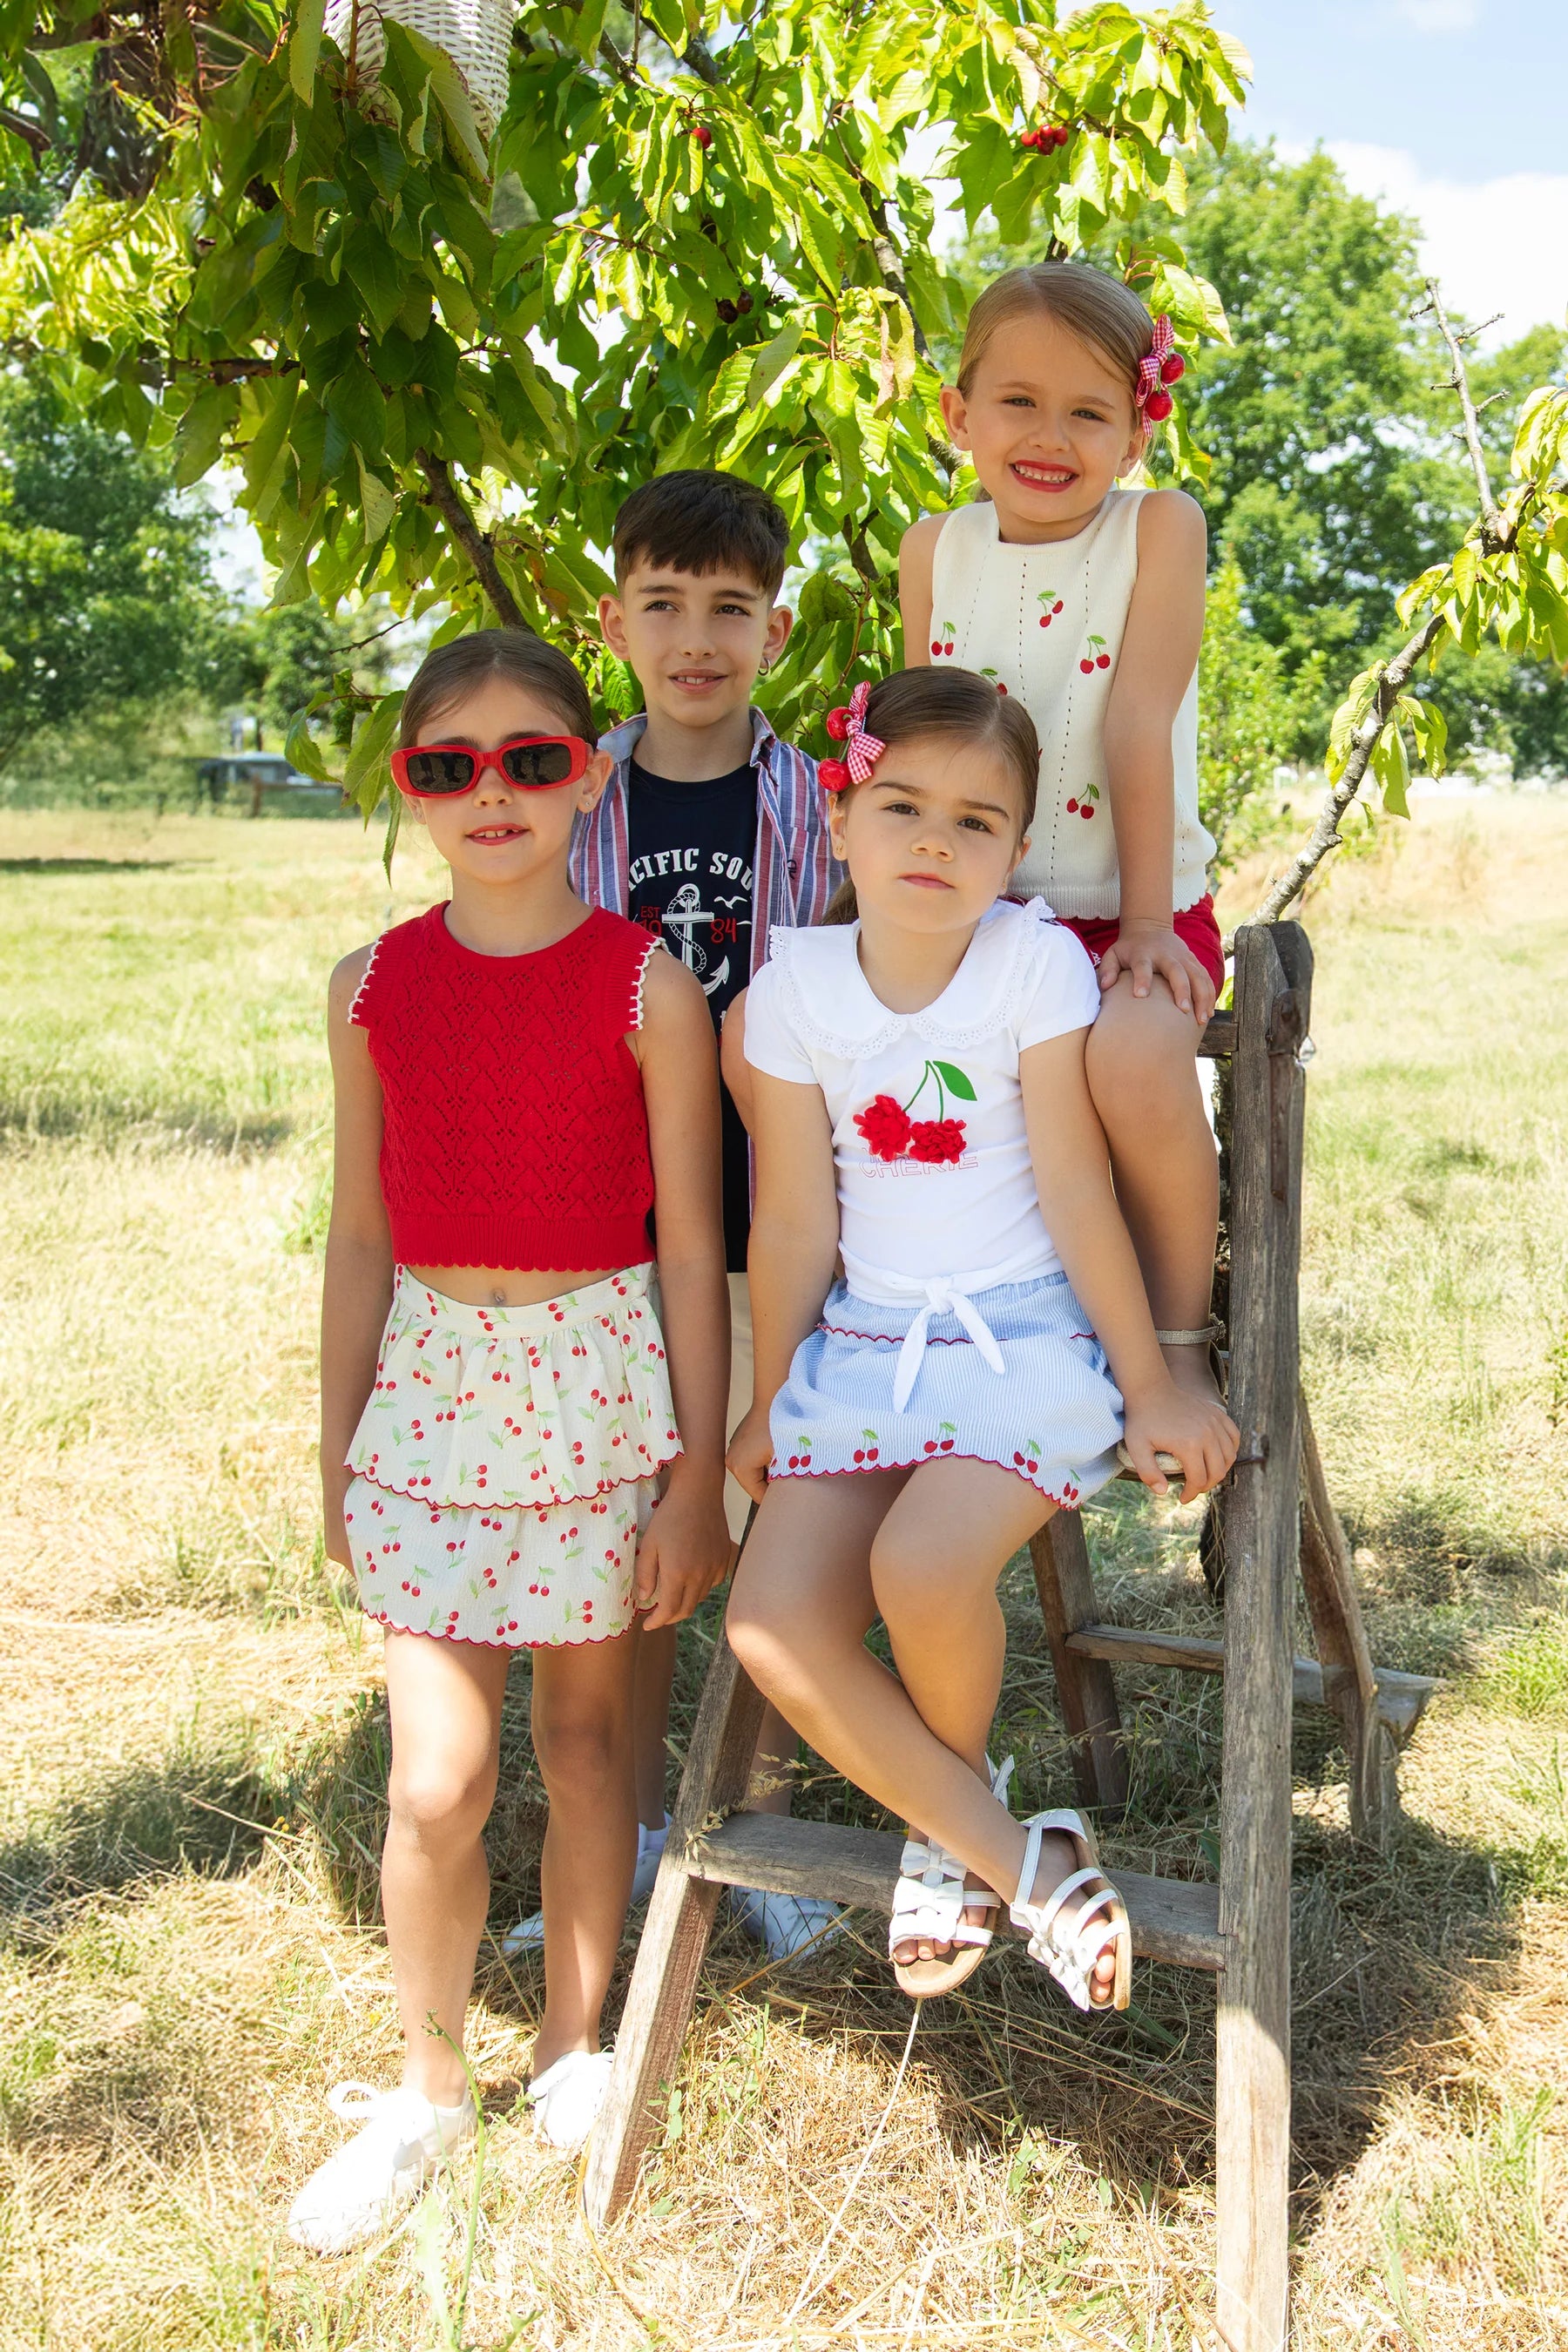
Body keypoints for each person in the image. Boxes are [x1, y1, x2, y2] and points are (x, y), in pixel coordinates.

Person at [290, 628, 732, 2253]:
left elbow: (693, 1243)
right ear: (409, 787)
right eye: (449, 764)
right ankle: (426, 2087)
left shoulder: (646, 985)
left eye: (532, 759)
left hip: (598, 1398)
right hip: (426, 1409)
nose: (493, 791)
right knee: (437, 1780)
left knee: (592, 1749)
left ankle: (569, 2047)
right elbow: (358, 1235)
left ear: (588, 778)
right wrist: (337, 1451)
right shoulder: (370, 986)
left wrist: (696, 1475)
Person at [724, 668, 1238, 2004]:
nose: (936, 841)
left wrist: (1151, 1380)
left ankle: (951, 1844)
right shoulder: (793, 989)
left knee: (921, 1565)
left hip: (1023, 1346)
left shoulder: (1029, 964)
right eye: (902, 805)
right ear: (841, 819)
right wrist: (771, 1396)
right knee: (771, 1626)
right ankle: (1013, 1852)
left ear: (1016, 851)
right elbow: (794, 1222)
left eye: (977, 820)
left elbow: (1074, 1186)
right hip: (864, 1352)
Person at [502, 470, 843, 1963]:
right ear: (613, 621)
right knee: (626, 1536)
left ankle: (757, 1828)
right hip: (609, 1219)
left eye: (728, 609)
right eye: (663, 605)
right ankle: (629, 1831)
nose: (695, 638)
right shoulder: (572, 792)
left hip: (778, 1213)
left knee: (777, 1534)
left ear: (777, 628)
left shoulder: (824, 802)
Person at [899, 261, 1225, 1408]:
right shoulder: (935, 548)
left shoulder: (1158, 528)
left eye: (1089, 412)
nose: (1050, 437)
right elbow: (931, 742)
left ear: (1138, 432)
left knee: (1131, 1059)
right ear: (959, 415)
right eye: (1018, 402)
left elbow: (1135, 720)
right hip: (979, 918)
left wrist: (1145, 925)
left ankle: (1178, 1341)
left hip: (1133, 906)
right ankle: (977, 1328)